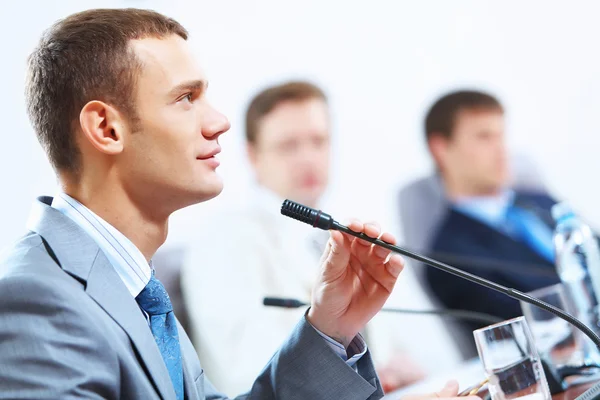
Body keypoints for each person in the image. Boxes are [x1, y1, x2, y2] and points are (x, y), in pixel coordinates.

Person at [0, 8, 475, 400]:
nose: (220, 122)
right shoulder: (37, 301)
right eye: (186, 98)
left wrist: (329, 328)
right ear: (106, 129)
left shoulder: (134, 286)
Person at [182, 81, 461, 396]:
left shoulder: (352, 228)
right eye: (288, 145)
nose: (308, 158)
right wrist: (373, 377)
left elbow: (432, 348)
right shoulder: (223, 240)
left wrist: (420, 371)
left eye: (319, 141)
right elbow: (250, 377)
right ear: (253, 156)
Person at [422, 90, 560, 337]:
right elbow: (528, 324)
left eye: (501, 135)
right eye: (484, 137)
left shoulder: (541, 201)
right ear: (440, 148)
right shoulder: (448, 259)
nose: (502, 150)